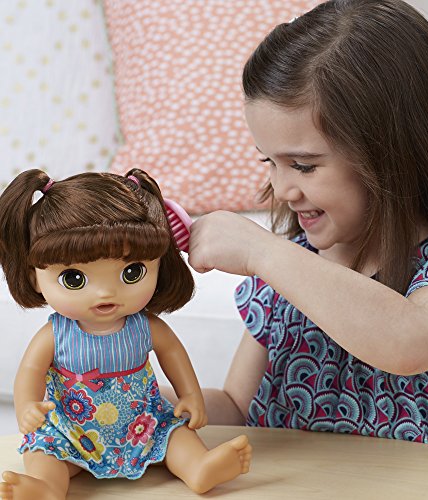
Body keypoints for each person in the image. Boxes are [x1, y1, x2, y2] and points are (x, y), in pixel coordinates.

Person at [164, 0, 428, 452]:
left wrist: (262, 251)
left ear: (393, 154)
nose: (282, 189)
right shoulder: (289, 268)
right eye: (270, 162)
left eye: (303, 166)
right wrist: (152, 404)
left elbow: (407, 341)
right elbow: (236, 408)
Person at [0, 169, 251, 499]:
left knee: (176, 436)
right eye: (74, 279)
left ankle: (199, 467)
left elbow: (172, 353)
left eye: (132, 272)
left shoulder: (145, 326)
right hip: (72, 431)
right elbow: (30, 372)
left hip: (142, 425)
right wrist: (27, 407)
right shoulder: (55, 335)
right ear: (35, 278)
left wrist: (190, 394)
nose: (106, 293)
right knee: (43, 450)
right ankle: (47, 486)